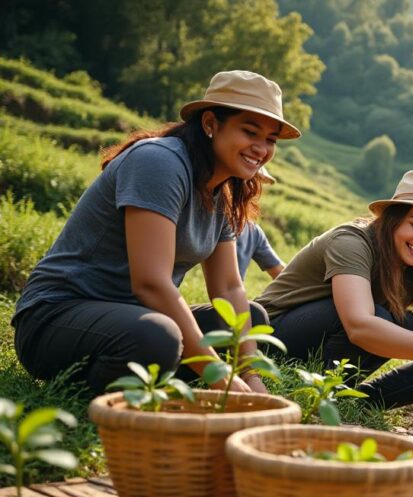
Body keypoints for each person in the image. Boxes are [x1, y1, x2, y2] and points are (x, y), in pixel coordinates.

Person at [12, 70, 299, 394]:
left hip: (133, 319)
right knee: (159, 337)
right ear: (210, 124)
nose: (261, 148)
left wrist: (249, 375)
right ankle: (100, 395)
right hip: (56, 319)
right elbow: (151, 284)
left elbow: (230, 288)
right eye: (250, 132)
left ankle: (159, 381)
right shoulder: (160, 163)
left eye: (270, 140)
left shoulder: (222, 191)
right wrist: (221, 380)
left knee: (247, 319)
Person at [255, 169, 413, 408]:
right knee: (381, 318)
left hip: (328, 342)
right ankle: (314, 392)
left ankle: (357, 401)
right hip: (268, 337)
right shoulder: (351, 242)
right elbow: (358, 326)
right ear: (393, 219)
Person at [235, 168, 285, 280]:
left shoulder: (253, 231)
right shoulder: (212, 219)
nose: (251, 188)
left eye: (254, 183)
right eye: (246, 181)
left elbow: (281, 273)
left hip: (232, 296)